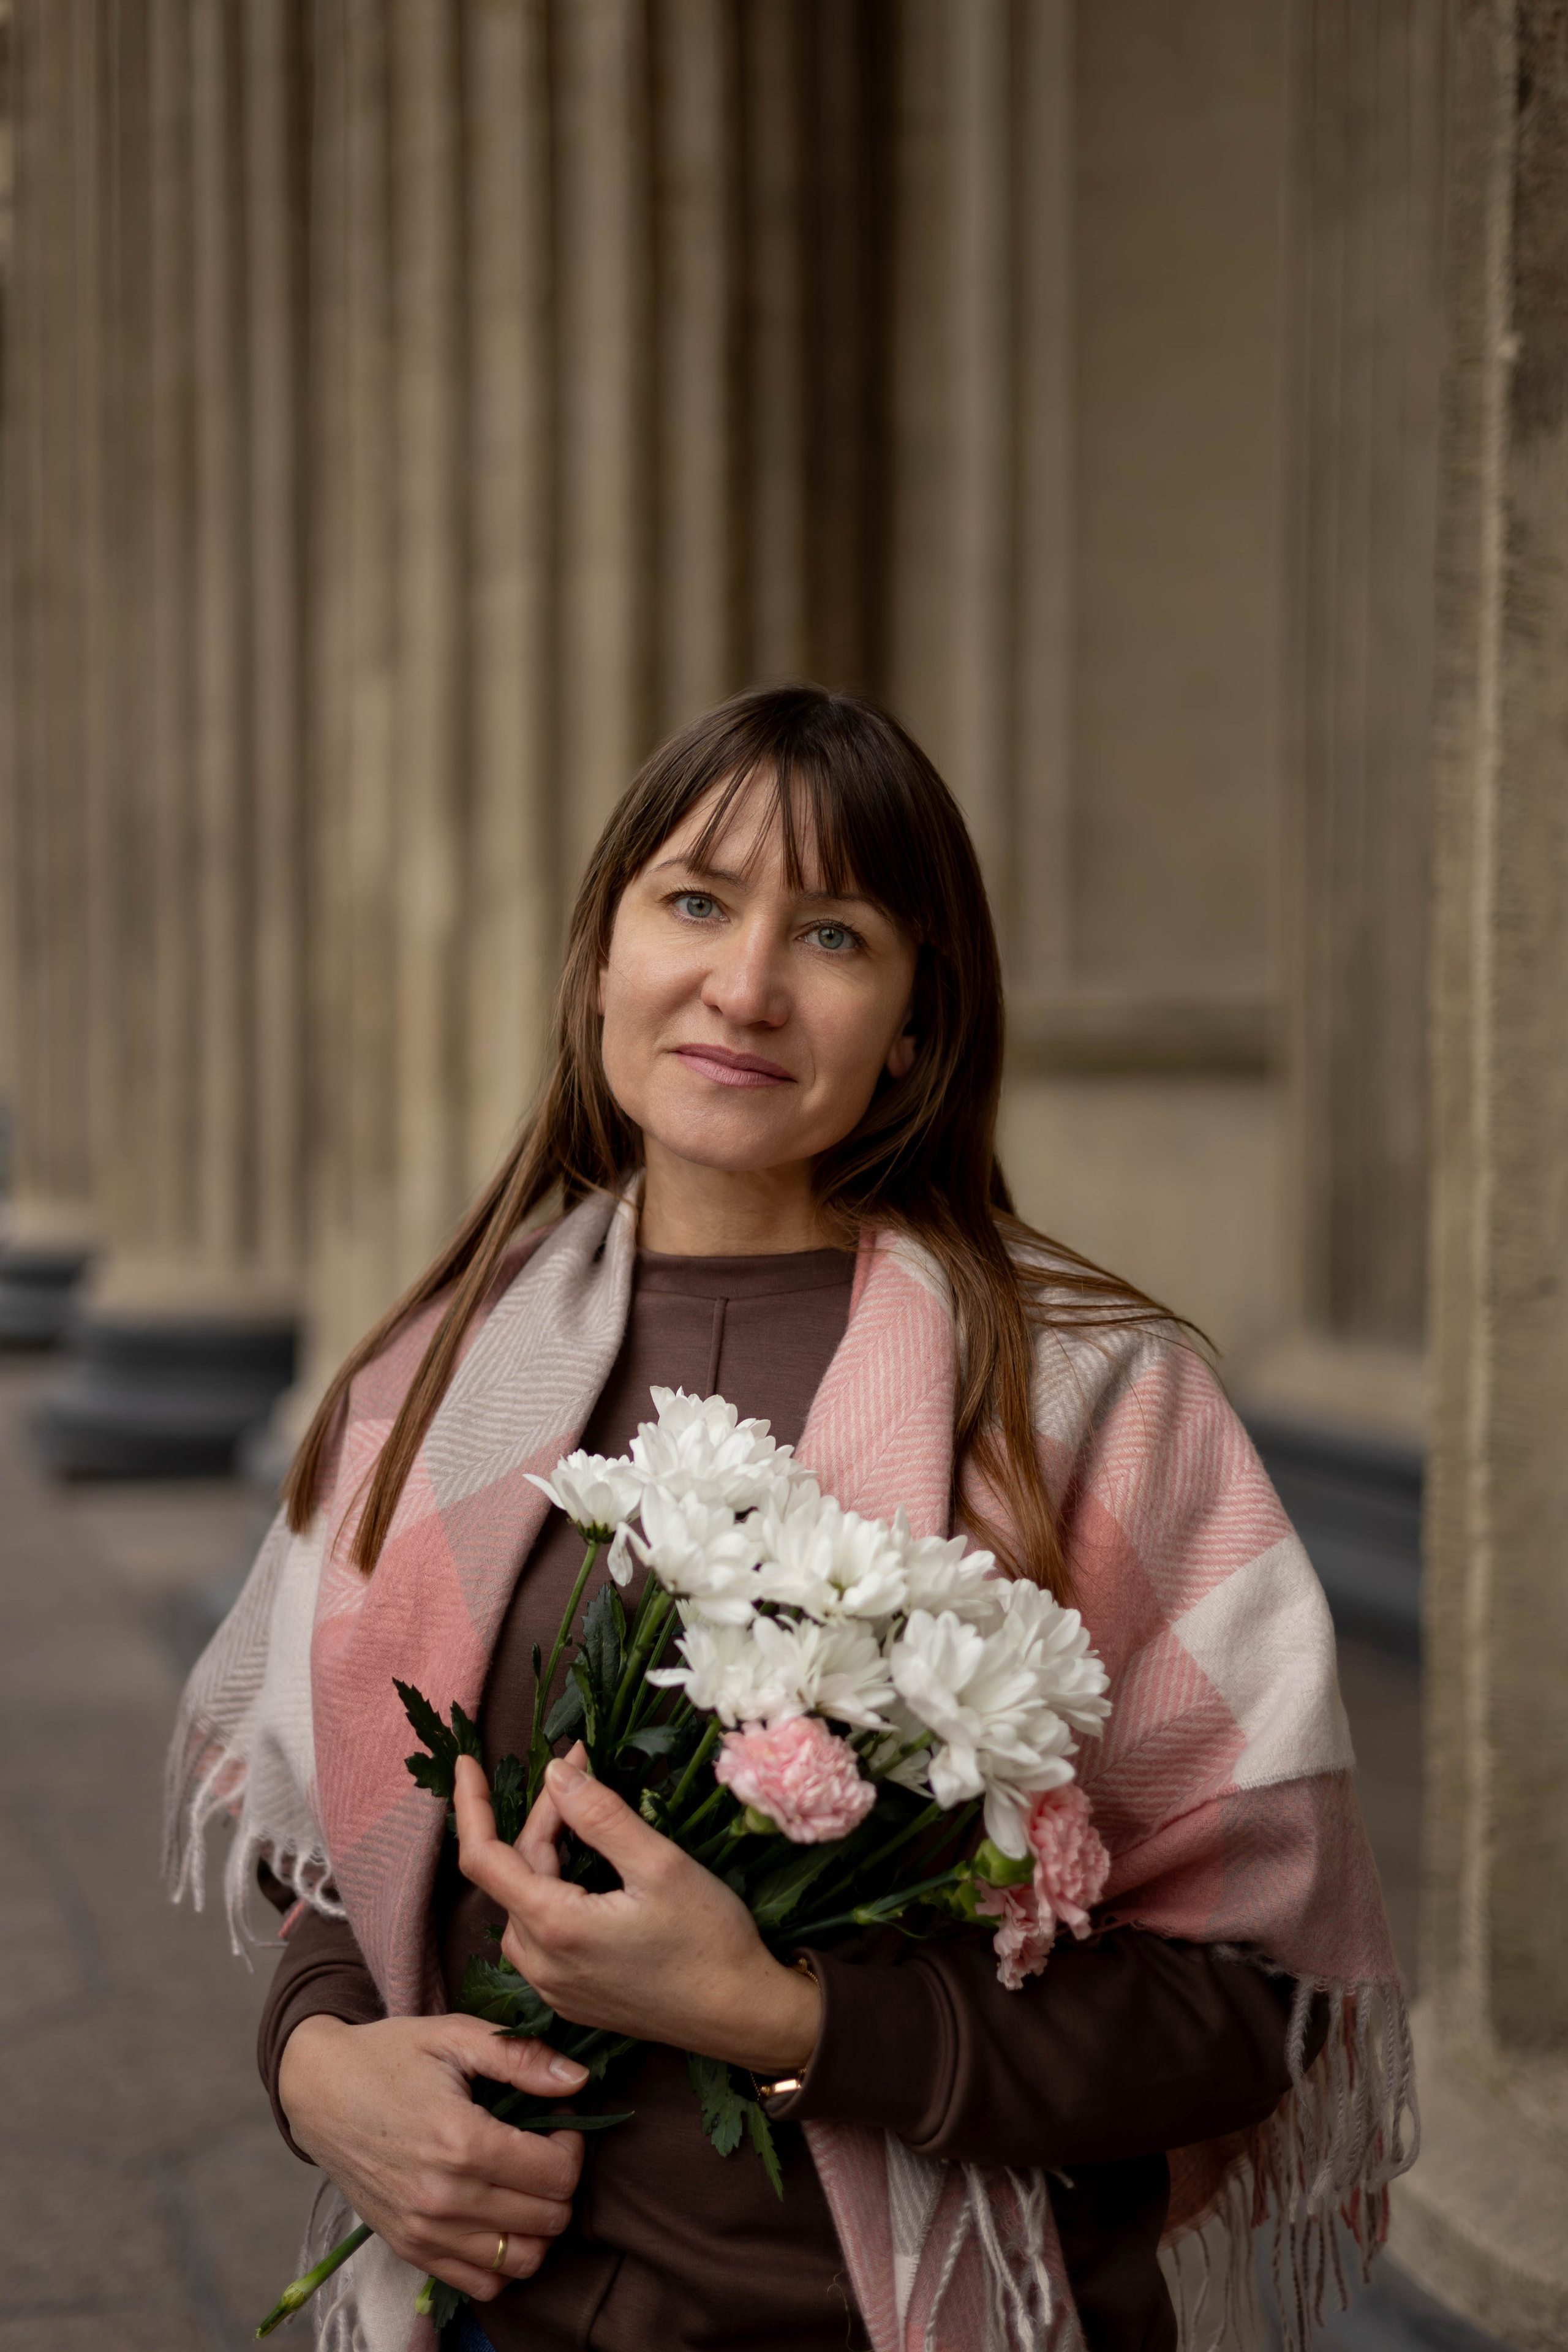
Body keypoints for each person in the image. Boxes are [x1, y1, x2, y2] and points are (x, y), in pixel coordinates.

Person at [167, 685, 1412, 2352]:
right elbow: (352, 1861)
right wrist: (319, 2064)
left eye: (832, 936)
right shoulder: (440, 1375)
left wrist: (794, 2023)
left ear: (913, 1024)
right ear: (601, 959)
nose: (745, 986)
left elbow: (1254, 2001)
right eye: (695, 903)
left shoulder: (1089, 1400)